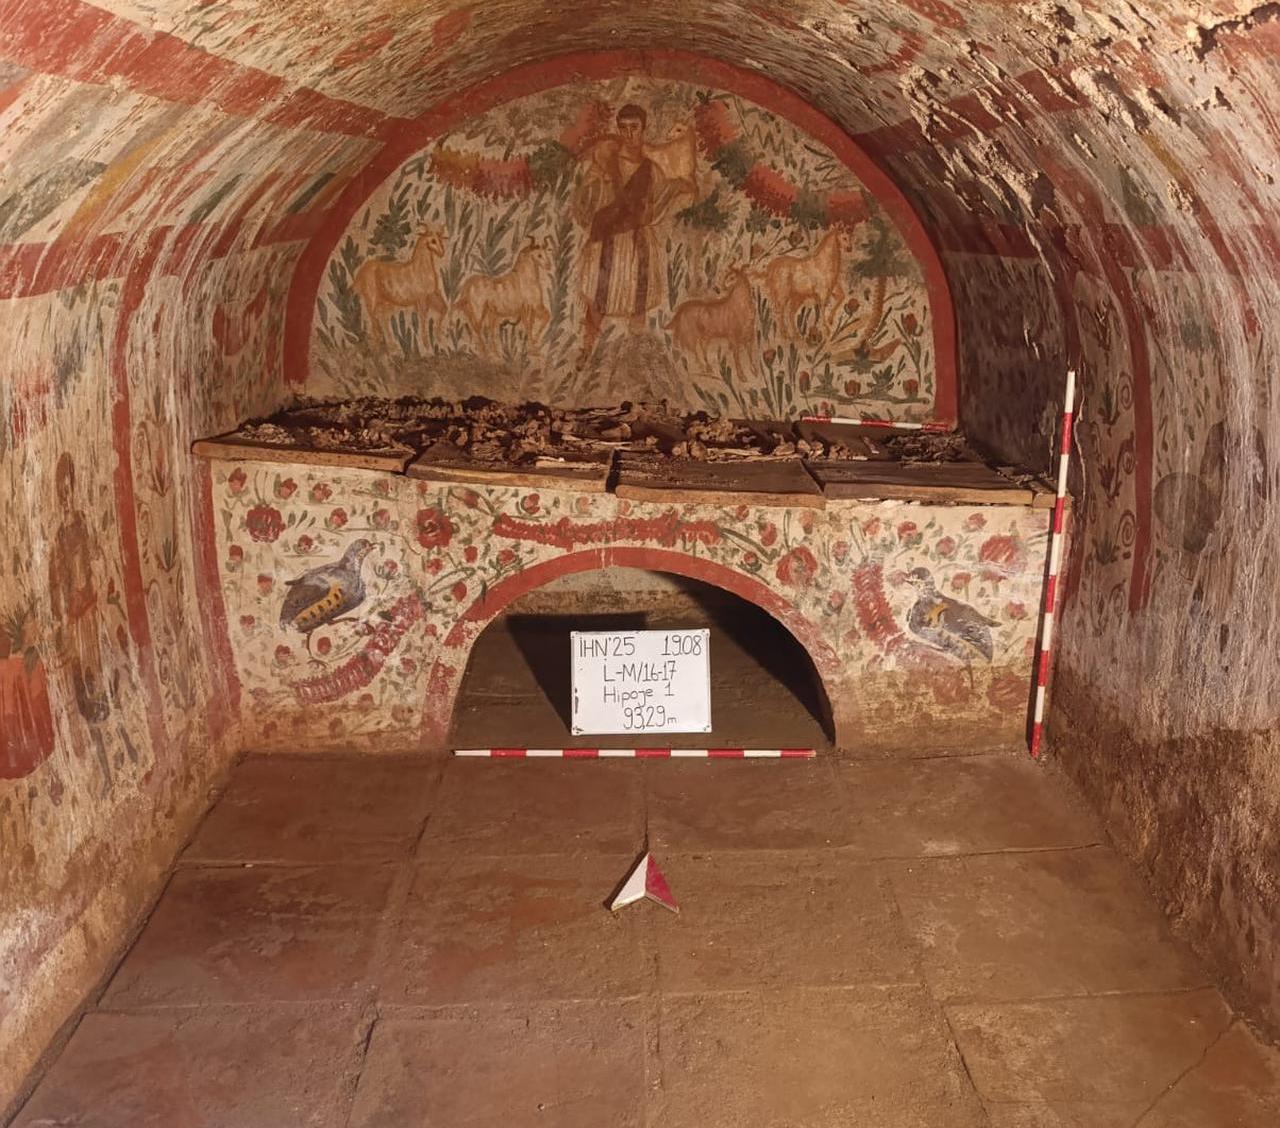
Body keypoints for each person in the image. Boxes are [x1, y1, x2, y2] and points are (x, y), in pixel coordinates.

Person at [572, 104, 695, 362]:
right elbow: (585, 198)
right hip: (607, 238)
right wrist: (602, 185)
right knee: (598, 296)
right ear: (618, 129)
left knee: (638, 298)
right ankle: (586, 350)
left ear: (643, 129)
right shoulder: (605, 162)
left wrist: (677, 188)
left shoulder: (651, 169)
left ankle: (633, 356)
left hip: (637, 241)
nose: (629, 134)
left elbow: (656, 202)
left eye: (634, 128)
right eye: (623, 128)